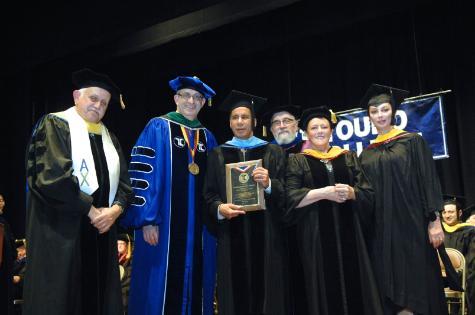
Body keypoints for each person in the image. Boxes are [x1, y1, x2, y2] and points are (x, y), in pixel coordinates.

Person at [24, 68, 133, 315]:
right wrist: (92, 212)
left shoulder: (110, 138)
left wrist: (115, 212)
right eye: (93, 98)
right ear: (76, 96)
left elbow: (125, 185)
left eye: (104, 103)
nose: (98, 106)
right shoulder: (55, 125)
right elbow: (51, 178)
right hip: (63, 234)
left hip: (102, 234)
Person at [121, 76, 217, 315]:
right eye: (186, 95)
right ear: (176, 98)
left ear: (203, 103)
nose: (191, 101)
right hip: (162, 226)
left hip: (199, 231)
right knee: (158, 284)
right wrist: (147, 220)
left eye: (197, 97)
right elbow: (143, 175)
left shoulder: (208, 137)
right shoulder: (158, 126)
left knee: (197, 281)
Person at [359, 84, 448, 315]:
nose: (380, 115)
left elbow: (427, 180)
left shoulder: (412, 142)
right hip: (382, 229)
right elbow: (365, 193)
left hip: (413, 225)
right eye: (374, 111)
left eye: (384, 109)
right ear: (369, 116)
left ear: (393, 112)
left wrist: (434, 220)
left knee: (416, 276)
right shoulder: (366, 153)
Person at [284, 106, 382, 314]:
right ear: (306, 133)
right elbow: (290, 199)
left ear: (331, 130)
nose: (319, 131)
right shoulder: (297, 160)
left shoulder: (347, 157)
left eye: (324, 127)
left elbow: (368, 193)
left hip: (352, 236)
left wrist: (351, 192)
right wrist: (324, 192)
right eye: (314, 127)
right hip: (315, 238)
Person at [203, 90, 289, 315]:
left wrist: (269, 183)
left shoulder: (273, 152)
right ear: (229, 122)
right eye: (234, 117)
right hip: (231, 236)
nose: (239, 122)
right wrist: (219, 209)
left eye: (244, 117)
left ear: (254, 121)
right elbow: (209, 195)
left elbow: (287, 192)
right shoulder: (217, 155)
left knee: (268, 293)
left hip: (268, 235)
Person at [441, 197, 475, 315]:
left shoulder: (469, 231)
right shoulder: (437, 231)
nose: (447, 215)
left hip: (462, 275)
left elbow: (471, 259)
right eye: (444, 212)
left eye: (451, 212)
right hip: (440, 276)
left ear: (459, 213)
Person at [0, 193, 15, 315]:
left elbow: (11, 245)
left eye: (1, 200)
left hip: (7, 270)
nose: (0, 203)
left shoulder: (4, 223)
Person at [117, 234, 132, 313]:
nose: (119, 246)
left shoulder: (131, 259)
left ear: (127, 246)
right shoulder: (114, 258)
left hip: (125, 292)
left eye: (121, 244)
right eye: (117, 244)